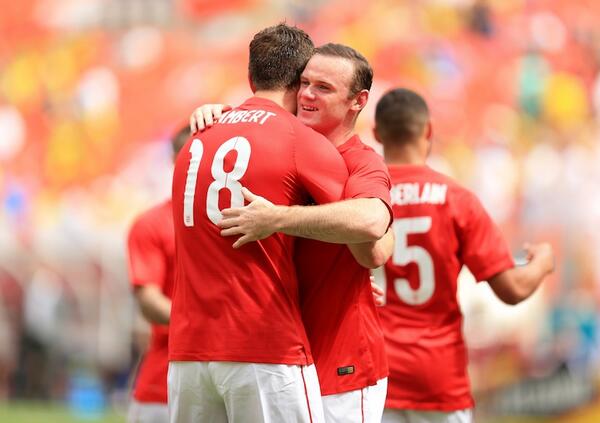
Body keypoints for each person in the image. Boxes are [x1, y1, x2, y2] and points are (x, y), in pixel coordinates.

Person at [191, 43, 394, 422]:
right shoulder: (283, 147)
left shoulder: (361, 161)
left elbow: (374, 237)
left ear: (358, 101)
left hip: (341, 362)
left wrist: (279, 218)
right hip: (277, 358)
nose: (306, 95)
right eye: (304, 82)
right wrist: (219, 115)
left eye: (324, 88)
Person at [169, 23, 352, 423]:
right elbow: (361, 229)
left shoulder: (196, 139)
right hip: (262, 347)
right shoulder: (298, 140)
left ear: (251, 76)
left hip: (187, 355)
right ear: (301, 79)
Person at [371, 88, 555, 423]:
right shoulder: (457, 199)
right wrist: (542, 262)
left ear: (376, 134)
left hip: (374, 376)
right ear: (428, 130)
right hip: (439, 377)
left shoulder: (359, 200)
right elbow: (512, 290)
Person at [126, 125, 189, 423]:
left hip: (229, 379)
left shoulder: (242, 219)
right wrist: (202, 324)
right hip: (163, 385)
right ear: (177, 160)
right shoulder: (152, 224)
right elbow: (148, 299)